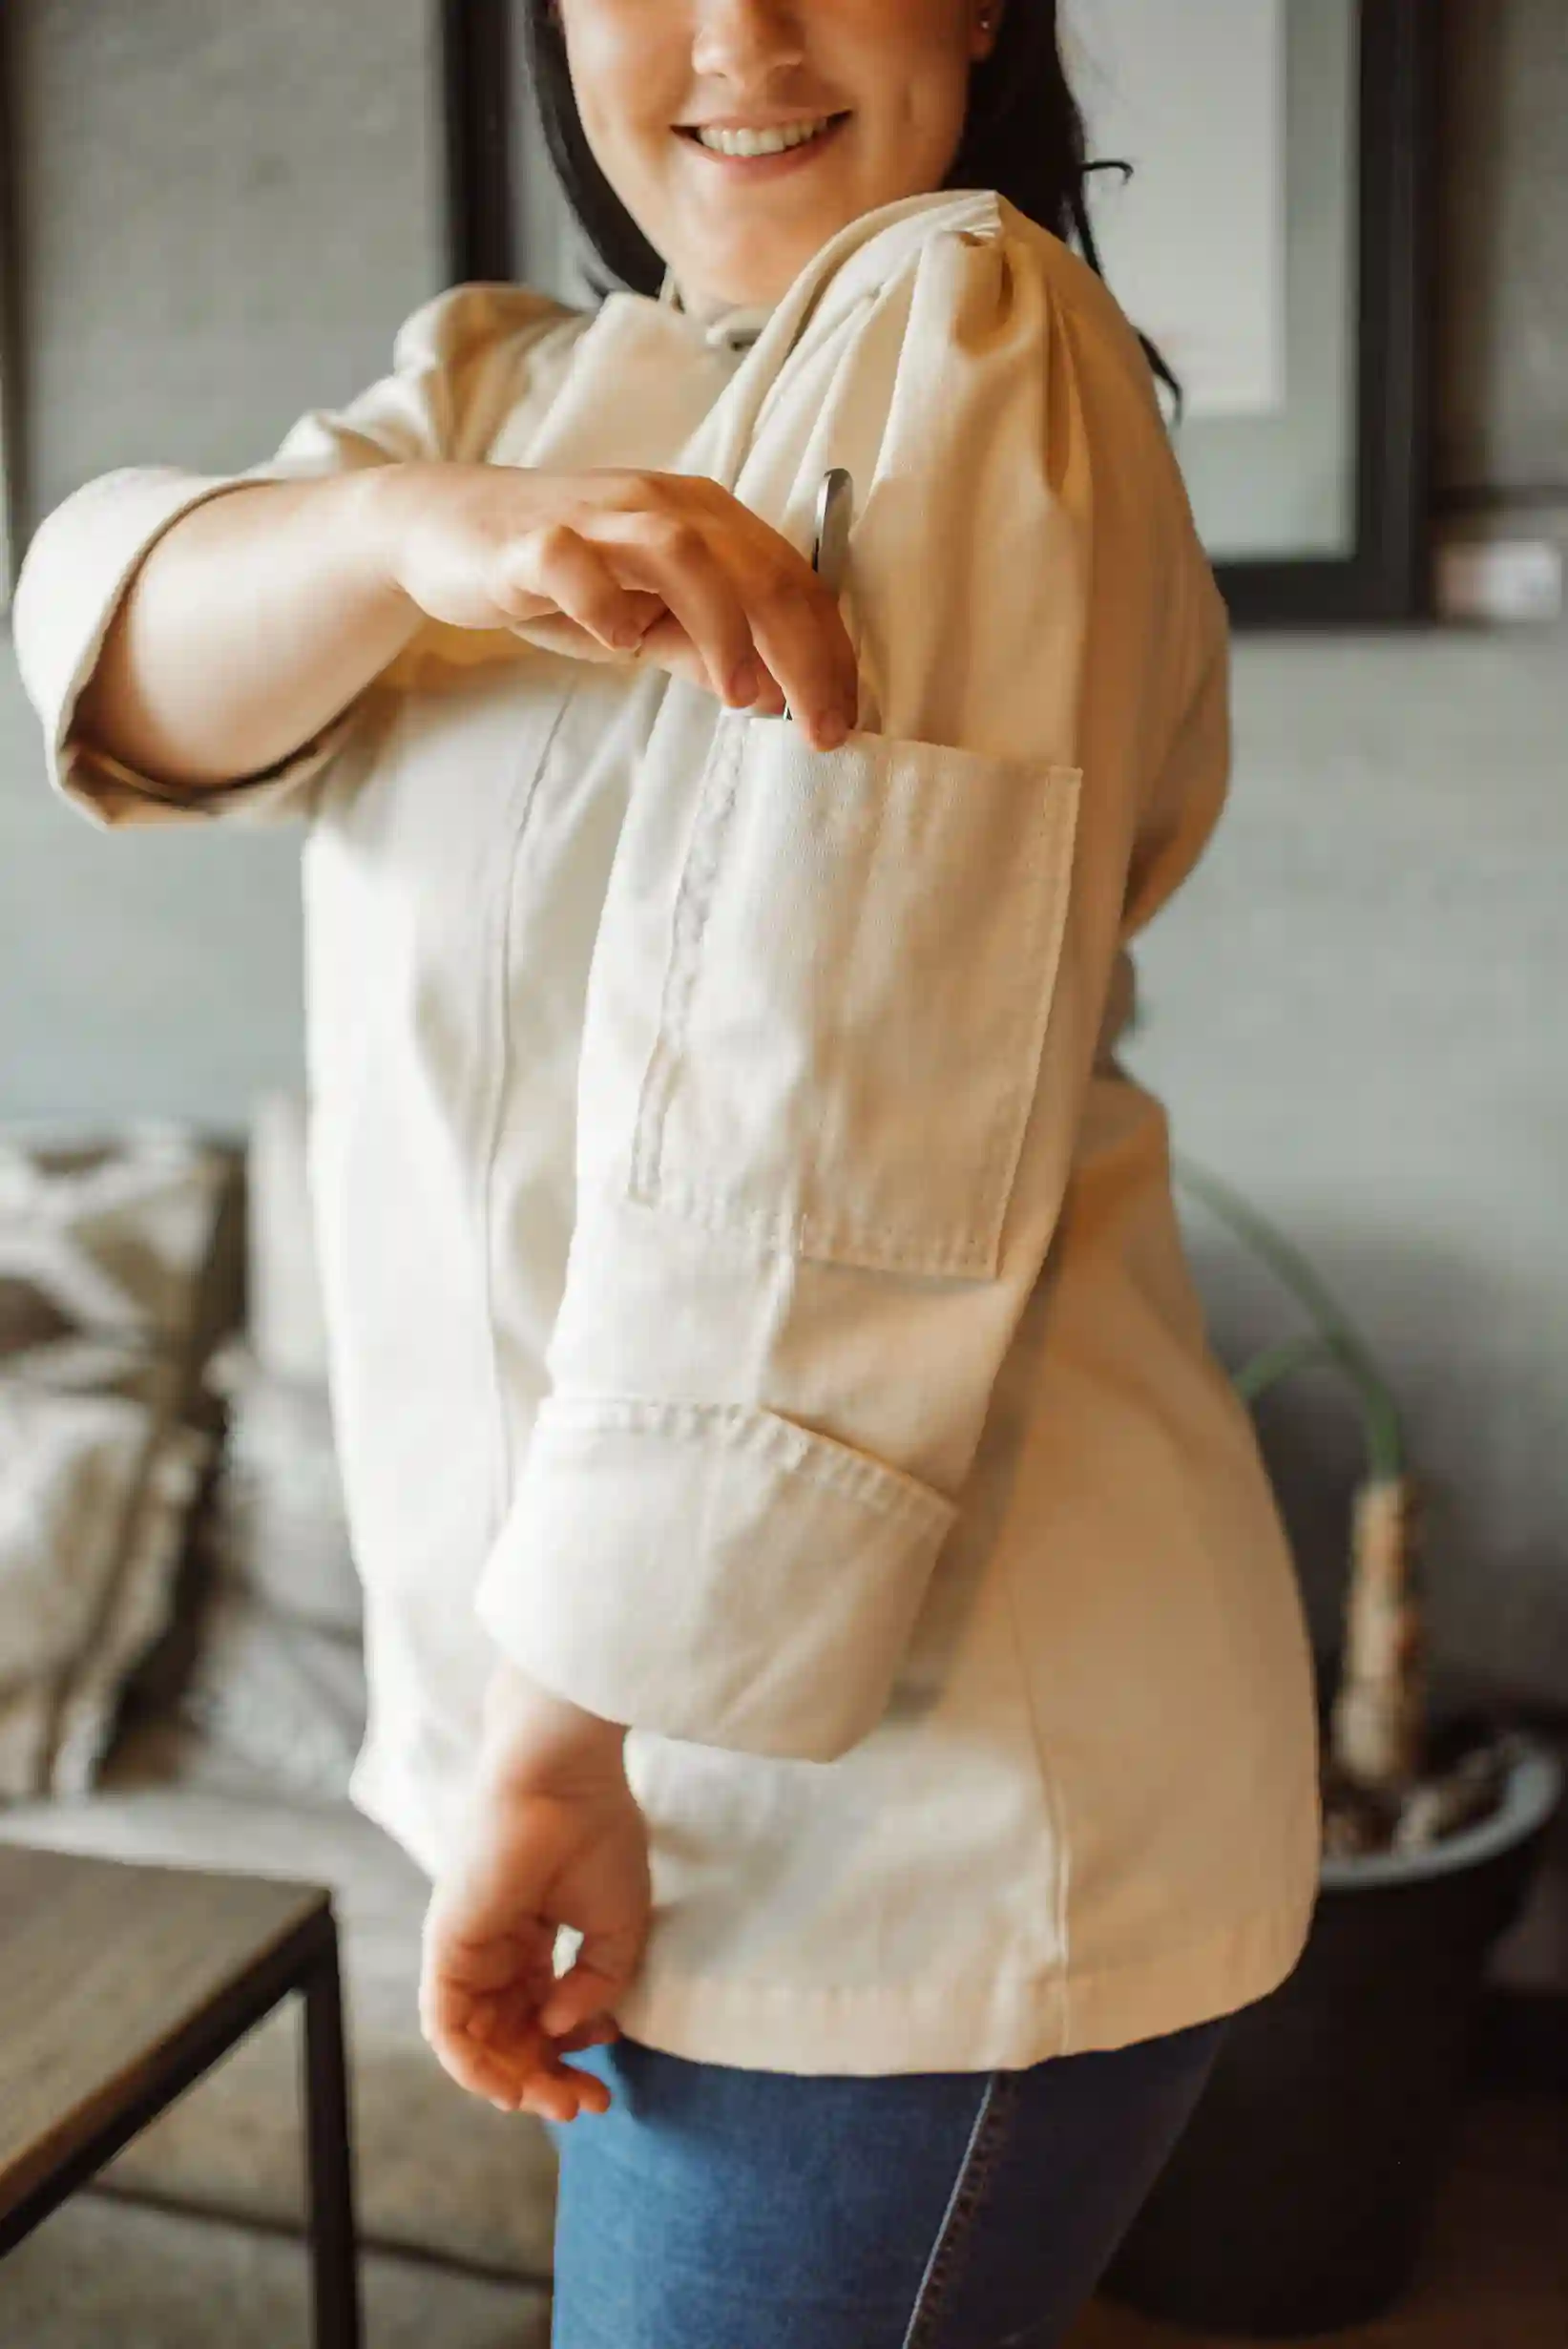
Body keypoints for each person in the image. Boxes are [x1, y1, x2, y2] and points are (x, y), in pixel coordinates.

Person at [14, 2, 1322, 2340]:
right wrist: (419, 529)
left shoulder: (954, 312)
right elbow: (117, 666)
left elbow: (824, 1093)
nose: (733, 36)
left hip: (897, 1802)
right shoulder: (502, 384)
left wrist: (559, 1741)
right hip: (647, 1770)